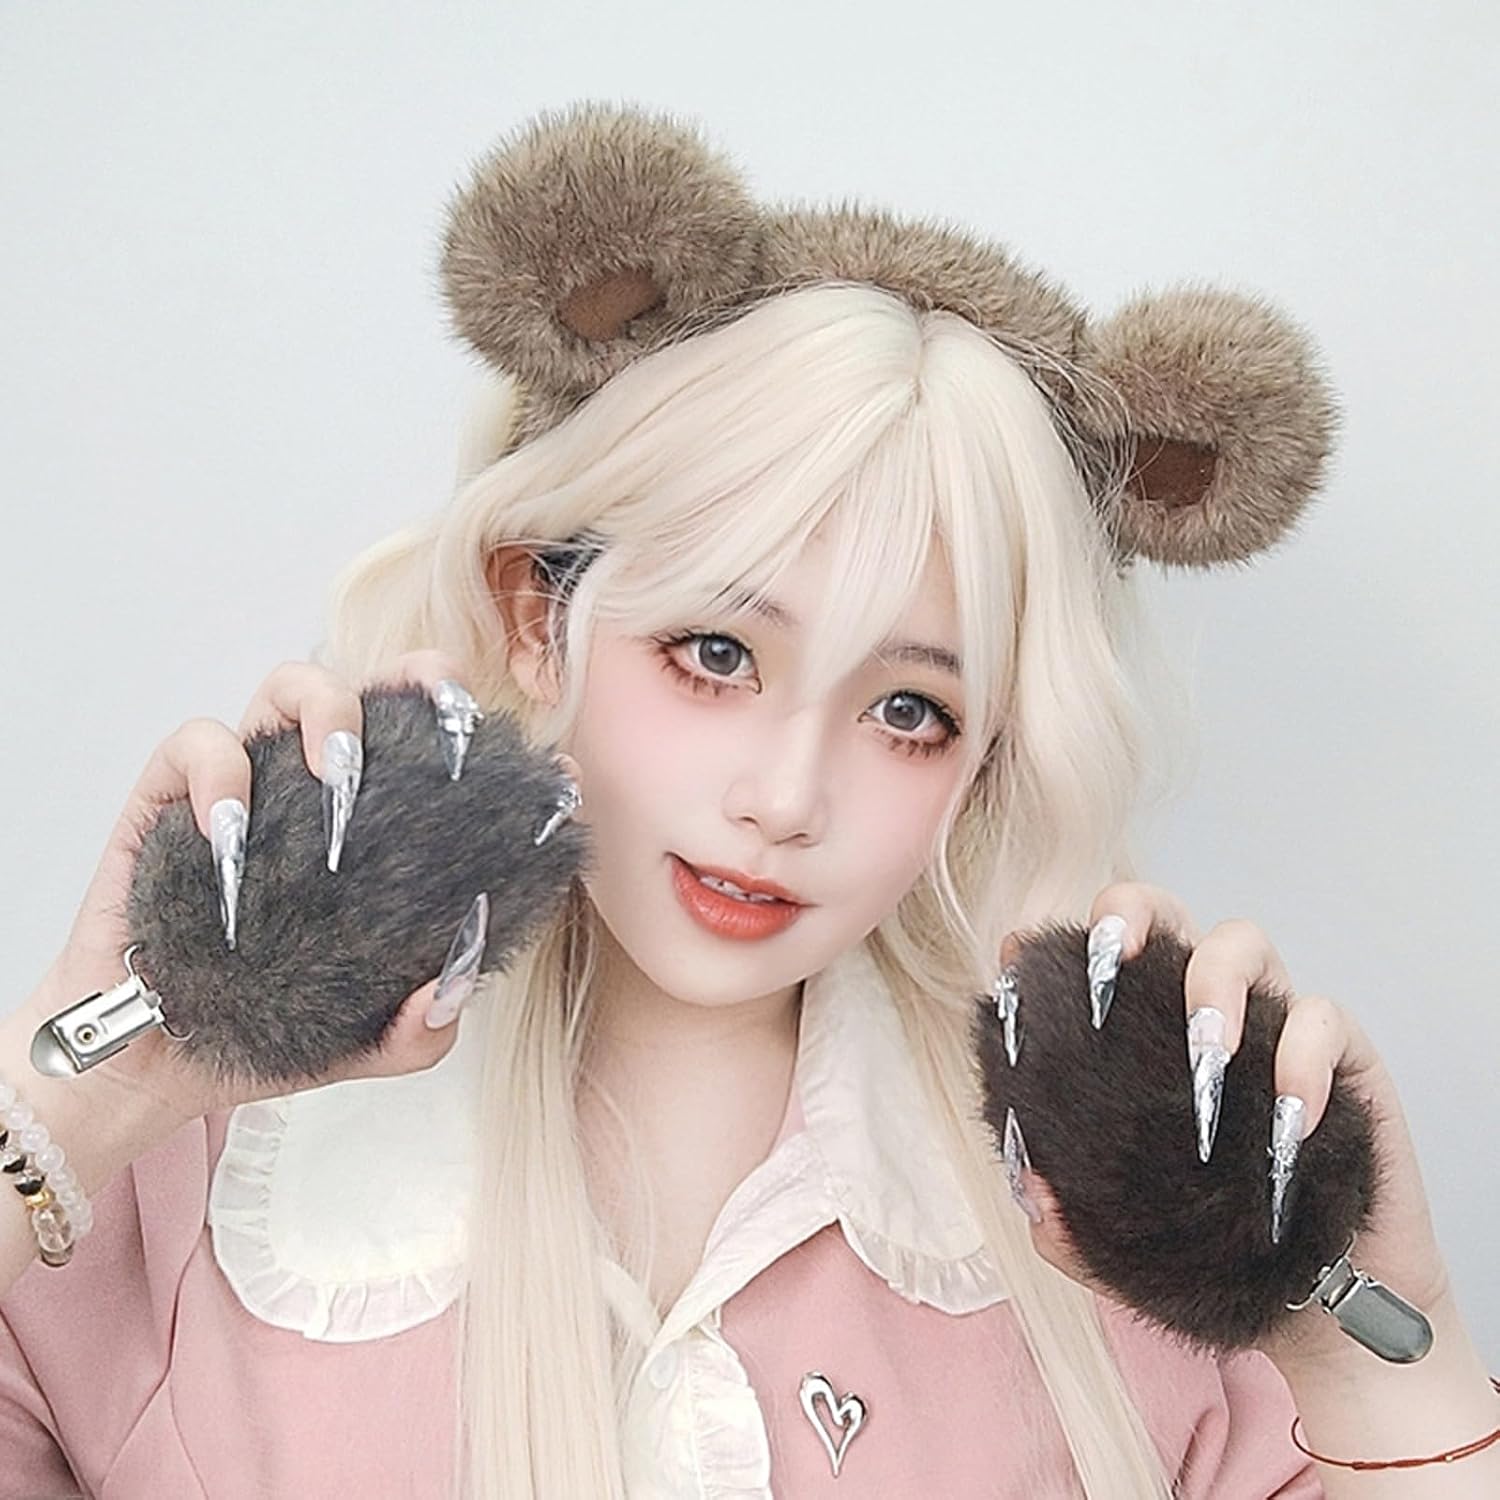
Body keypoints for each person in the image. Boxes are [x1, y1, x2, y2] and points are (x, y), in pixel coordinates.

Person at [2, 101, 1496, 1499]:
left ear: (987, 757)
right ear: (537, 616)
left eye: (908, 711)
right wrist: (74, 1102)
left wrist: (1382, 1348)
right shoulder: (177, 1188)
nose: (786, 799)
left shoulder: (1133, 1240)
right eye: (716, 654)